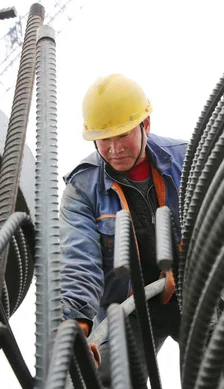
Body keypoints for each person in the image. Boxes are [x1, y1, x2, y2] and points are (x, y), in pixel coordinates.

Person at [59, 73, 187, 384]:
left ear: (146, 125)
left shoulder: (186, 158)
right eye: (104, 138)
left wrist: (186, 263)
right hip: (127, 307)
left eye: (123, 135)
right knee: (111, 379)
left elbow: (219, 220)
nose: (114, 148)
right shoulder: (82, 188)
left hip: (194, 289)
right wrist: (76, 324)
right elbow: (79, 259)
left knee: (219, 366)